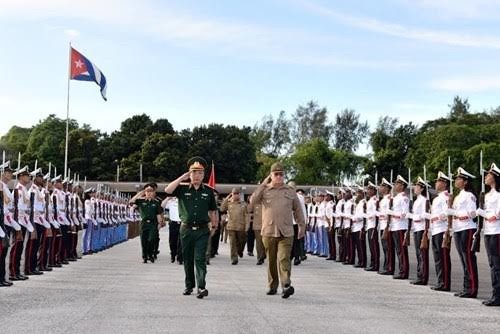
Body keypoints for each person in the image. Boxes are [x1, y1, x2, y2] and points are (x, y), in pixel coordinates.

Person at [250, 162, 305, 299]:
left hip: (286, 231)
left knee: (284, 258)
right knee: (271, 260)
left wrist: (302, 226)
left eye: (281, 174)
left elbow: (298, 210)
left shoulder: (290, 191)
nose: (279, 177)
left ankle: (286, 284)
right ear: (271, 175)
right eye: (276, 174)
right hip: (268, 231)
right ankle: (272, 285)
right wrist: (263, 184)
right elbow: (253, 201)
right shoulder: (265, 190)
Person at [165, 156, 218, 299]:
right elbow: (168, 190)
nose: (197, 175)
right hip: (186, 229)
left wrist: (214, 225)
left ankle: (201, 286)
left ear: (203, 175)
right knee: (187, 258)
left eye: (200, 173)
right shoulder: (181, 189)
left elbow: (213, 210)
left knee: (200, 258)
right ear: (190, 174)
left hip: (202, 230)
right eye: (194, 172)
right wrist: (182, 177)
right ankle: (189, 286)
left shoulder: (208, 191)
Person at [449, 167, 478, 298]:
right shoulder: (457, 196)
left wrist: (457, 214)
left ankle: (472, 288)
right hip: (459, 228)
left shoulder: (469, 195)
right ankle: (466, 287)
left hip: (467, 228)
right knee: (463, 259)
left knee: (468, 258)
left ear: (465, 181)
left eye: (459, 178)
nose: (456, 180)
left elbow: (472, 213)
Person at [477, 163, 500, 306]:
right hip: (488, 231)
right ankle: (495, 293)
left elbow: (497, 215)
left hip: (497, 231)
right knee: (492, 264)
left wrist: (483, 213)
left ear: (495, 178)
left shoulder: (498, 194)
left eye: (489, 175)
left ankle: (498, 296)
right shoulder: (487, 195)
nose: (486, 177)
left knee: (497, 265)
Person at [129, 183, 164, 264]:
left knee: (152, 239)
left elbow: (158, 214)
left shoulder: (156, 203)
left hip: (153, 223)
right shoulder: (140, 201)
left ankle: (150, 254)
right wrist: (139, 193)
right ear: (145, 192)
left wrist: (160, 223)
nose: (149, 193)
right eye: (147, 191)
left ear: (154, 192)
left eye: (151, 191)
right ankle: (145, 256)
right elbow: (131, 202)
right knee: (144, 240)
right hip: (144, 223)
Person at [430, 171, 452, 292]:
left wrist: (436, 217)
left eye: (438, 181)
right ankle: (440, 281)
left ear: (444, 183)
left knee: (443, 258)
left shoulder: (445, 197)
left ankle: (445, 283)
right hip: (435, 230)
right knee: (438, 258)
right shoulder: (438, 198)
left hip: (442, 229)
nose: (436, 183)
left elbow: (446, 214)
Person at [387, 175, 410, 279]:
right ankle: (401, 270)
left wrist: (393, 213)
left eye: (397, 183)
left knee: (402, 250)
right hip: (395, 226)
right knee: (398, 250)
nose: (395, 186)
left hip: (401, 226)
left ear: (402, 185)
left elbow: (404, 214)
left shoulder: (404, 198)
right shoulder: (395, 198)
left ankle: (404, 272)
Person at [409, 177, 430, 285]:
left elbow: (425, 215)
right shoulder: (417, 200)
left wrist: (415, 217)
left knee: (422, 254)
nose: (415, 188)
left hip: (422, 228)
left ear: (422, 189)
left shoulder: (424, 200)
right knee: (418, 253)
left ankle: (423, 277)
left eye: (417, 187)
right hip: (416, 228)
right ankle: (419, 275)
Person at [220, 187, 248, 265]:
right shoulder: (229, 203)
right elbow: (222, 209)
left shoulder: (243, 204)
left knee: (241, 241)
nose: (235, 195)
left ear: (239, 195)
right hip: (231, 226)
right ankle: (234, 258)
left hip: (241, 226)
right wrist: (227, 198)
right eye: (234, 194)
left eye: (237, 194)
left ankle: (240, 251)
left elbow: (247, 215)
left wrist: (247, 225)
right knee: (232, 243)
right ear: (232, 194)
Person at [377, 178, 394, 275]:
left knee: (388, 248)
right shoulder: (383, 200)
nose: (380, 188)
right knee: (385, 248)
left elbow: (389, 215)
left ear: (387, 188)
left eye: (382, 186)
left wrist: (387, 228)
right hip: (382, 225)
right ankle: (386, 266)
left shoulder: (389, 200)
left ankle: (390, 268)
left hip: (386, 227)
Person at [162, 196, 183, 264]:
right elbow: (162, 205)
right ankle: (173, 255)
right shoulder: (171, 201)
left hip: (183, 223)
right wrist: (168, 198)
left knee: (181, 240)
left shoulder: (184, 200)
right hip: (173, 223)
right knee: (172, 240)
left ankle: (180, 258)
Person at [365, 182, 379, 272]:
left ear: (374, 191)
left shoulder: (375, 200)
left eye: (369, 189)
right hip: (369, 225)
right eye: (367, 189)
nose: (367, 191)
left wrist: (370, 215)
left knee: (374, 246)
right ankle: (372, 263)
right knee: (371, 246)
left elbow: (376, 212)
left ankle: (375, 265)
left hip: (373, 225)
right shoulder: (370, 200)